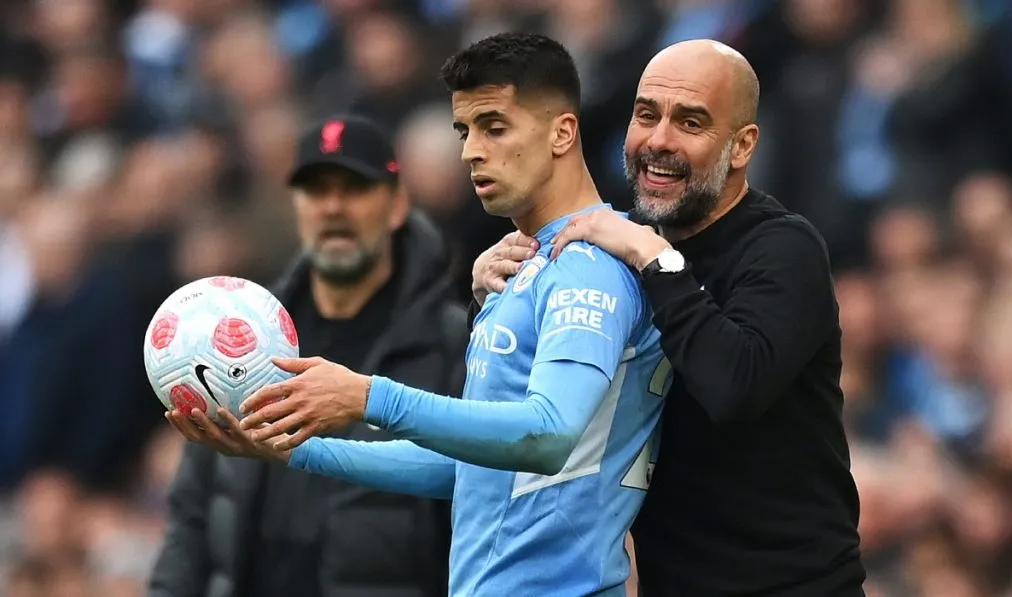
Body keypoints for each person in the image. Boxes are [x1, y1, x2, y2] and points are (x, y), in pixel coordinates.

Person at [170, 33, 665, 596]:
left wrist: (368, 397)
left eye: (494, 127)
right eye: (464, 131)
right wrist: (293, 450)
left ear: (562, 132)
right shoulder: (519, 269)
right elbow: (475, 470)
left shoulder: (589, 267)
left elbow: (548, 434)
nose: (471, 151)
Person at [473, 39, 866, 596]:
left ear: (741, 146)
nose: (658, 140)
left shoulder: (784, 249)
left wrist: (657, 260)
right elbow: (539, 405)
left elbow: (733, 385)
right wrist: (492, 300)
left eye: (690, 122)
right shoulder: (618, 254)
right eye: (646, 115)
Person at [150, 115, 466, 597]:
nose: (333, 207)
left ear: (397, 204)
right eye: (316, 190)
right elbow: (193, 515)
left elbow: (474, 509)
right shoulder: (235, 338)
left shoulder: (451, 343)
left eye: (355, 189)